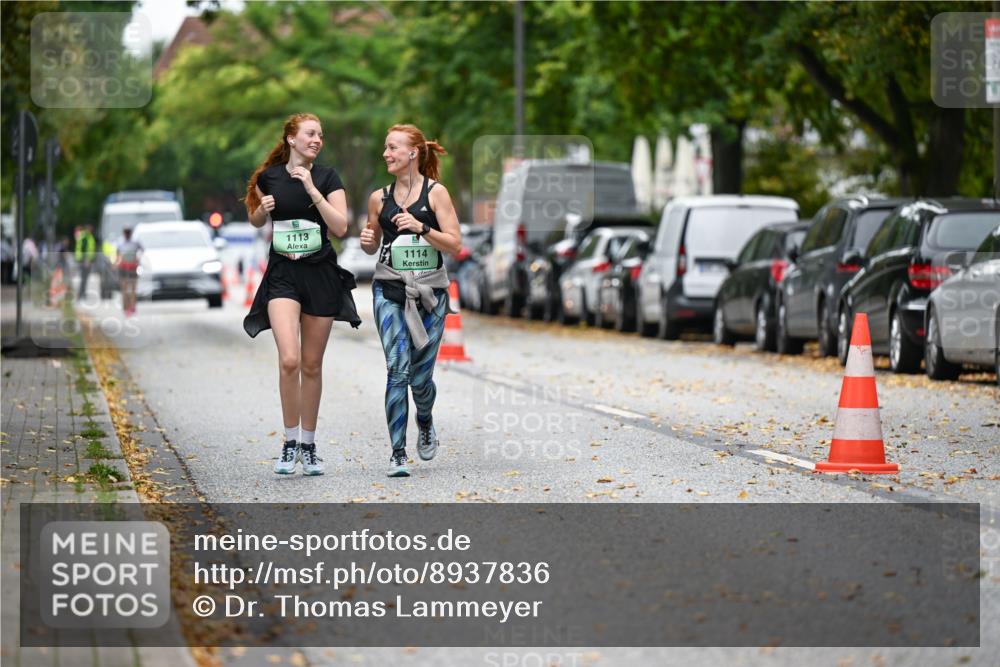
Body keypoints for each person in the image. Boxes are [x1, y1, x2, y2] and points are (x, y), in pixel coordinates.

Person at [243, 113, 361, 476]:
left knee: (311, 364)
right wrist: (261, 211)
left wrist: (312, 189)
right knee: (290, 360)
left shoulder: (327, 177)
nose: (317, 140)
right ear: (291, 139)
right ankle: (289, 441)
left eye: (320, 135)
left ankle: (308, 445)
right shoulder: (269, 177)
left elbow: (340, 226)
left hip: (320, 274)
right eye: (310, 133)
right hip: (283, 275)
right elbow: (255, 219)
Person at [360, 124, 462, 478]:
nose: (386, 154)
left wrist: (422, 227)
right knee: (397, 369)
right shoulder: (379, 198)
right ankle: (398, 453)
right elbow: (372, 243)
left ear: (413, 153)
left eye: (392, 148)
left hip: (431, 294)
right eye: (386, 148)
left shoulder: (436, 194)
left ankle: (425, 418)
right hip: (389, 289)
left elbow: (455, 244)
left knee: (420, 379)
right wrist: (367, 242)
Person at [115, 228, 143, 316]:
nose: (127, 234)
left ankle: (132, 306)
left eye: (128, 232)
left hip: (133, 268)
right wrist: (117, 262)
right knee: (124, 288)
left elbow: (142, 250)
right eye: (126, 232)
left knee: (133, 288)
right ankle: (126, 307)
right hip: (123, 268)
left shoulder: (135, 242)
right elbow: (117, 253)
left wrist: (138, 259)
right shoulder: (120, 241)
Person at [75, 224, 96, 299]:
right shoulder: (85, 236)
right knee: (83, 278)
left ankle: (82, 293)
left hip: (86, 260)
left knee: (84, 278)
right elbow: (83, 249)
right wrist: (86, 260)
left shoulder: (88, 236)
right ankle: (80, 294)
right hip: (84, 260)